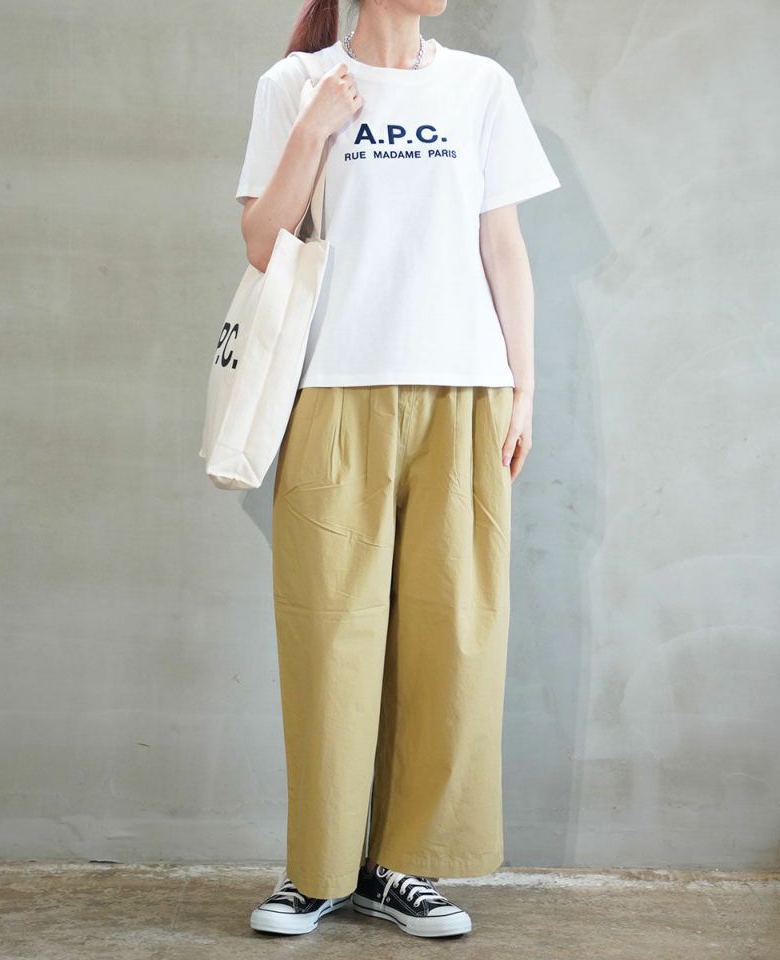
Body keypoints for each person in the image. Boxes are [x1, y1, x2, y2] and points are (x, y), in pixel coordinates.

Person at [237, 0, 560, 939]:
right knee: (329, 637)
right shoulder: (295, 84)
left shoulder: (480, 86)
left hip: (465, 393)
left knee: (450, 638)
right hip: (334, 390)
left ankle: (399, 868)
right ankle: (318, 872)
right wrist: (314, 128)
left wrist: (524, 387)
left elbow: (503, 246)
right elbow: (262, 244)